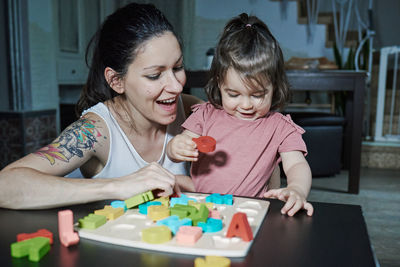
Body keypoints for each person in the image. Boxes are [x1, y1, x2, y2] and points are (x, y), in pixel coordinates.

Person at [0, 3, 201, 210]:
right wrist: (118, 186)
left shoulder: (192, 110)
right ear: (116, 81)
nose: (177, 86)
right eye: (154, 75)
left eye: (177, 67)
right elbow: (5, 186)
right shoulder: (95, 131)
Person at [167, 13, 314, 216]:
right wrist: (175, 147)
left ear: (275, 87)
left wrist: (297, 188)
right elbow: (182, 144)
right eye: (233, 94)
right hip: (201, 205)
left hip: (249, 211)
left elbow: (297, 164)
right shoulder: (205, 115)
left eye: (258, 95)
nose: (246, 105)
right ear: (220, 83)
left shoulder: (280, 127)